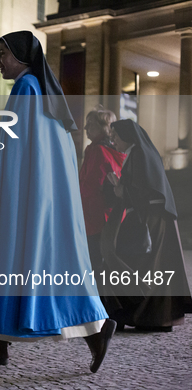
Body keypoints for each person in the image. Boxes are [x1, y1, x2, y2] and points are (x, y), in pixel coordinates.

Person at [0, 30, 115, 373]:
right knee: (18, 265)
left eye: (2, 53)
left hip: (26, 196)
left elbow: (12, 148)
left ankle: (97, 329)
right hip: (41, 195)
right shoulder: (43, 90)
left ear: (21, 56)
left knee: (25, 265)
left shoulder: (26, 88)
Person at [100, 119, 192, 331]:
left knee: (149, 267)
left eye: (116, 137)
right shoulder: (137, 153)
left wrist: (121, 190)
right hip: (150, 218)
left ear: (127, 136)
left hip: (153, 219)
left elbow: (146, 190)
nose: (113, 141)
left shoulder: (139, 154)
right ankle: (149, 317)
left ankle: (151, 317)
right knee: (151, 267)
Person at [79, 106, 125, 273]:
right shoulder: (114, 150)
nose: (85, 128)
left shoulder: (97, 150)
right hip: (108, 214)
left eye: (90, 124)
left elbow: (89, 186)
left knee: (94, 261)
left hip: (93, 216)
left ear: (104, 128)